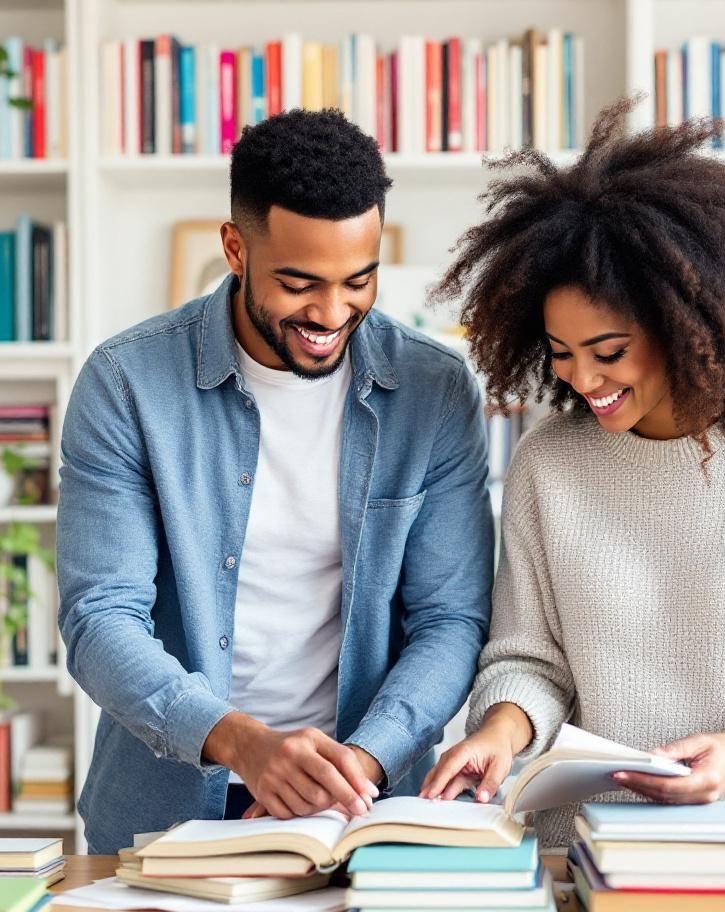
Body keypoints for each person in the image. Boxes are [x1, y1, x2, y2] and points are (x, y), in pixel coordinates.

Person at [420, 103, 725, 851]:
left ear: (690, 323)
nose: (582, 377)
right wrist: (498, 730)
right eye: (559, 351)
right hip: (583, 853)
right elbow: (529, 659)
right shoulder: (548, 462)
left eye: (609, 351)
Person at [57, 109, 494, 854]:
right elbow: (100, 616)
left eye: (359, 281)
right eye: (299, 284)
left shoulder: (436, 391)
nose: (331, 313)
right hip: (165, 810)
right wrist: (241, 744)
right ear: (235, 247)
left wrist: (359, 764)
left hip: (365, 807)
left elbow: (451, 619)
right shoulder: (126, 383)